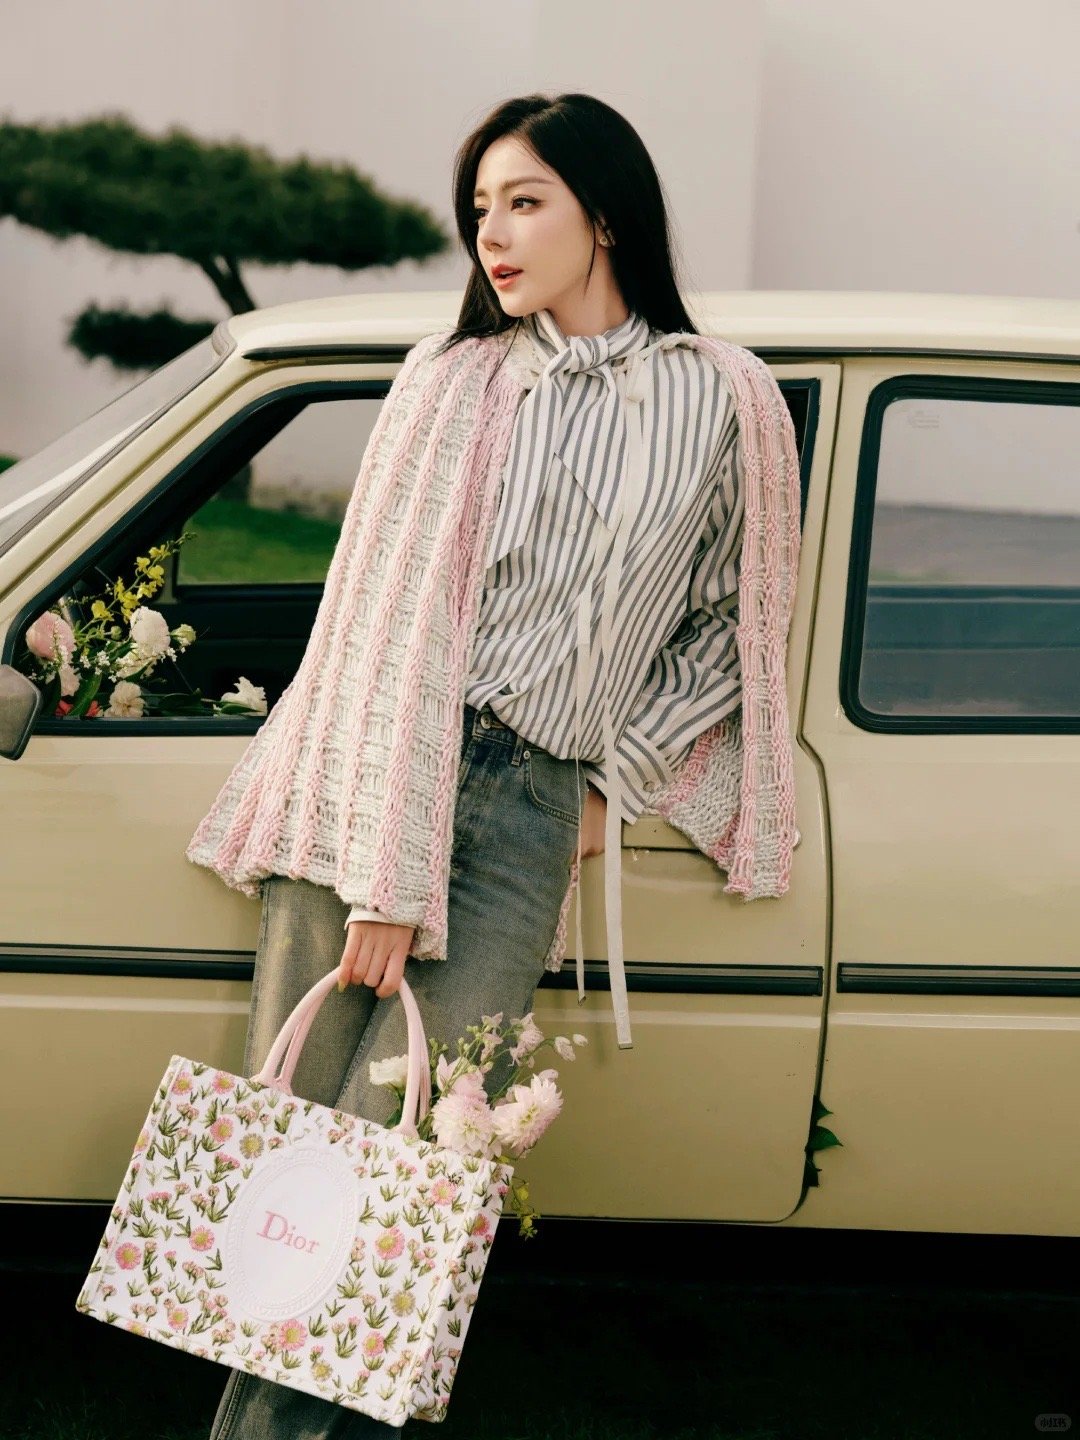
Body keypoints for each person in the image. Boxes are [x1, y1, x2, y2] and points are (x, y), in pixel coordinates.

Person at [192, 90, 801, 1439]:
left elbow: (728, 629)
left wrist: (609, 783)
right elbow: (380, 632)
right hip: (371, 785)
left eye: (526, 202)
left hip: (529, 808)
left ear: (607, 214)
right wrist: (386, 870)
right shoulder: (450, 380)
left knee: (408, 1179)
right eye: (481, 209)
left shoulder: (726, 398)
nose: (494, 236)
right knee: (300, 1163)